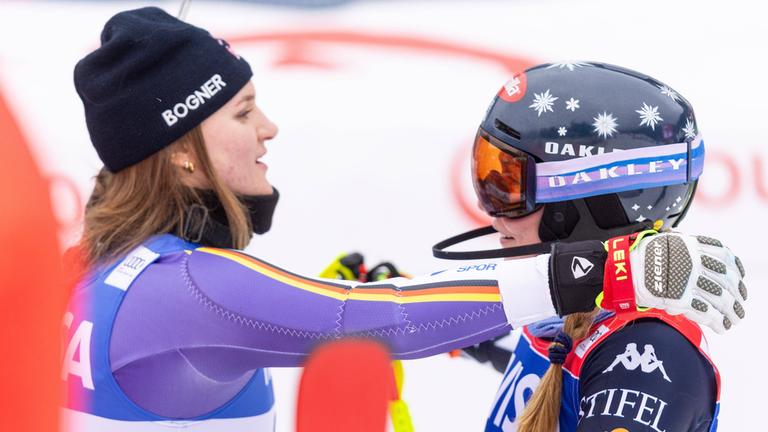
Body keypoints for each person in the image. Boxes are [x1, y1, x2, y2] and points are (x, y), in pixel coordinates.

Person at [61, 8, 746, 431]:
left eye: (507, 181)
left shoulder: (94, 266)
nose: (269, 128)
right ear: (181, 155)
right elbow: (375, 315)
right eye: (242, 112)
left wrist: (481, 341)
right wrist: (600, 271)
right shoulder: (189, 291)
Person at [461, 62, 744, 431]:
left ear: (580, 206)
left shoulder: (647, 357)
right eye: (488, 179)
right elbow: (561, 381)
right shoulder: (560, 318)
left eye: (509, 188)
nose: (493, 215)